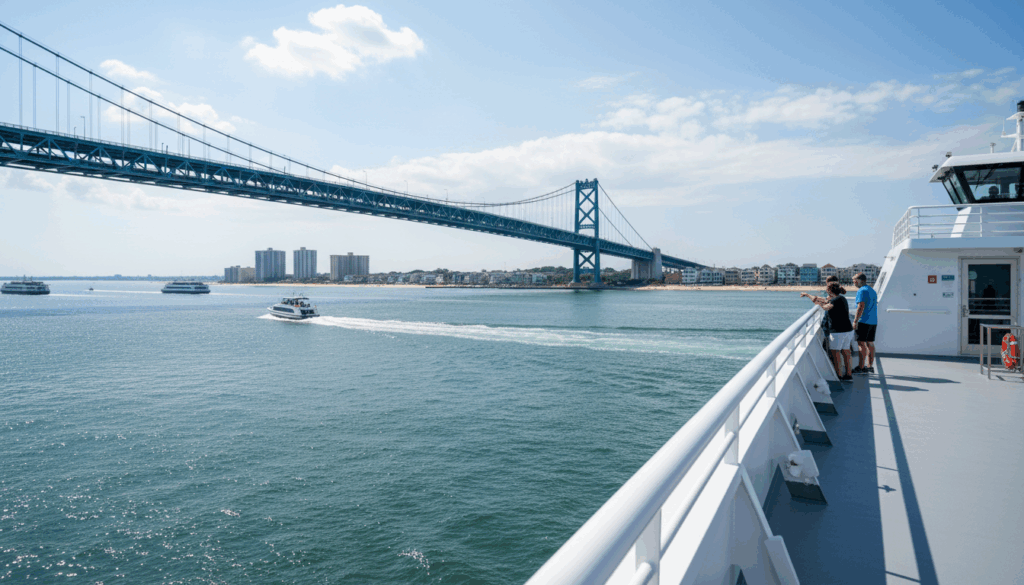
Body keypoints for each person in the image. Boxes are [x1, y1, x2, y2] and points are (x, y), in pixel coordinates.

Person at [802, 282, 853, 381]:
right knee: (846, 351)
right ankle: (848, 374)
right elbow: (824, 301)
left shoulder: (835, 300)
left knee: (835, 352)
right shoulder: (841, 298)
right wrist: (809, 295)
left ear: (829, 290)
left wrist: (820, 303)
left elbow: (826, 307)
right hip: (848, 329)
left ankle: (839, 375)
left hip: (838, 331)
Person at [852, 272, 878, 374]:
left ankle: (861, 367)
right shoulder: (872, 290)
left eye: (855, 280)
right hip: (873, 321)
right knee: (870, 343)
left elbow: (861, 306)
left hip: (863, 321)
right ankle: (870, 366)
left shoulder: (861, 291)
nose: (854, 282)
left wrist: (855, 321)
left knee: (861, 344)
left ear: (861, 280)